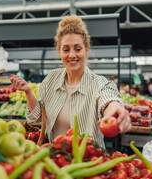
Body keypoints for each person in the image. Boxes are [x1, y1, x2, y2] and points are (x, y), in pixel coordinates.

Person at [10, 15, 132, 149]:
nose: (72, 55)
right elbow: (36, 117)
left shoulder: (100, 83)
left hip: (88, 162)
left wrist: (114, 113)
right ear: (59, 52)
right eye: (66, 49)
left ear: (86, 50)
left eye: (78, 49)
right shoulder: (51, 80)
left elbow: (109, 101)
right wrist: (28, 92)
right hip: (56, 159)